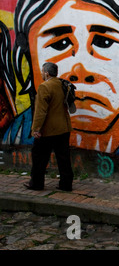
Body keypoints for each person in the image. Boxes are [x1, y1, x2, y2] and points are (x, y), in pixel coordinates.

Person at [24, 62, 73, 191]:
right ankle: (66, 184)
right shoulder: (62, 84)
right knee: (63, 157)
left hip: (49, 130)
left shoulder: (44, 87)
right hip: (64, 128)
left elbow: (41, 111)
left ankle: (36, 183)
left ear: (46, 73)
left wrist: (36, 129)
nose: (41, 73)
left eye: (42, 71)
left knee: (39, 157)